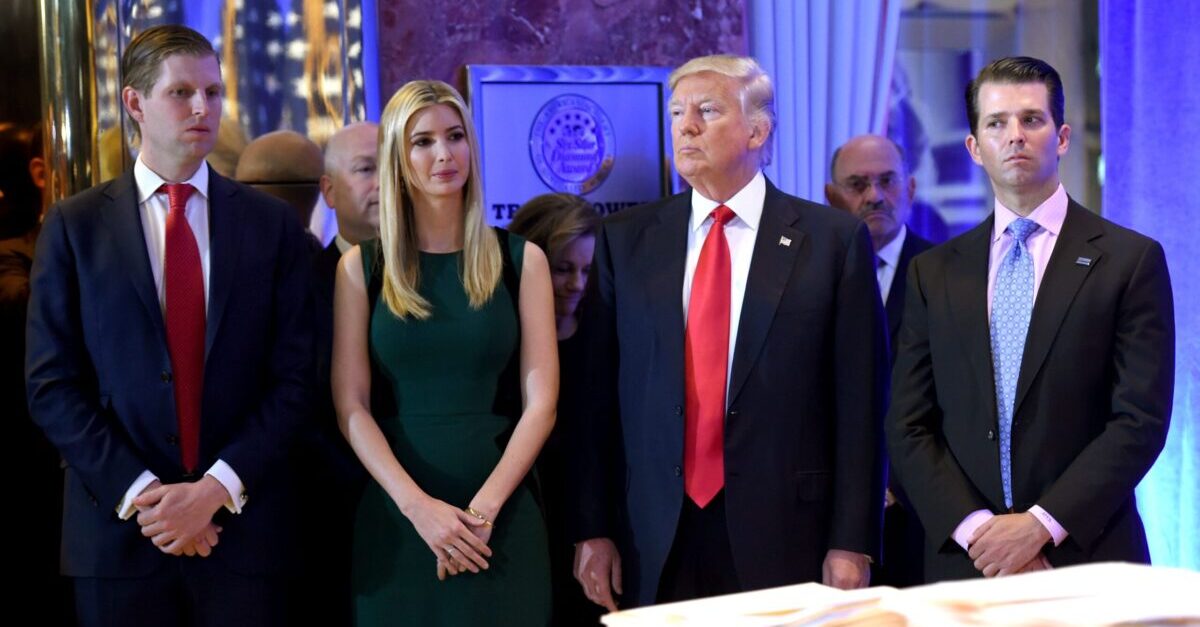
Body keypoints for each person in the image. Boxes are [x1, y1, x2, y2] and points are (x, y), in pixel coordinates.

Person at [570, 54, 888, 610]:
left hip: (788, 532)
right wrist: (592, 528)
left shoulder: (831, 241)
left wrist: (852, 540)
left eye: (706, 111)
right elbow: (595, 400)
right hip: (654, 533)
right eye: (676, 112)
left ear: (758, 130)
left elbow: (861, 405)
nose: (685, 126)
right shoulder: (626, 240)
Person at [25, 24, 313, 625]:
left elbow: (296, 381)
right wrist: (147, 499)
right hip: (118, 539)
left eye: (213, 91)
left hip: (245, 536)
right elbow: (52, 385)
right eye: (182, 93)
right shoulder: (74, 227)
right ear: (135, 103)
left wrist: (214, 491)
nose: (203, 108)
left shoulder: (271, 226)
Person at [886, 56, 1175, 582]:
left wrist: (1039, 526)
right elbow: (908, 425)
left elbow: (1139, 421)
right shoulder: (934, 273)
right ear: (974, 147)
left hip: (1089, 559)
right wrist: (979, 530)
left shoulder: (1130, 261)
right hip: (968, 564)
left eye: (1031, 120)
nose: (1014, 136)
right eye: (996, 123)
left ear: (1061, 137)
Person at [331, 80, 557, 625]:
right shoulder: (360, 269)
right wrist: (418, 509)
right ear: (397, 158)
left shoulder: (522, 261)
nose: (443, 155)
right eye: (422, 141)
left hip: (501, 520)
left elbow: (542, 402)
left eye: (455, 136)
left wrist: (482, 513)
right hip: (397, 518)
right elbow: (351, 406)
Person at [826, 133, 932, 587]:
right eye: (857, 184)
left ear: (909, 189)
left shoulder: (949, 274)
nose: (874, 196)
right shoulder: (806, 278)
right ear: (832, 197)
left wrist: (898, 484)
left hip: (922, 517)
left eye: (887, 181)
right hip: (828, 518)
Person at [294, 121, 380, 625]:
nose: (384, 183)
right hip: (336, 526)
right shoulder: (300, 286)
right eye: (367, 169)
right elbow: (299, 406)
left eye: (392, 168)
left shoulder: (449, 275)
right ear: (328, 190)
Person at [508, 192, 603, 625]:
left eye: (587, 270)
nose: (576, 285)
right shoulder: (502, 343)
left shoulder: (607, 337)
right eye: (563, 269)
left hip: (593, 532)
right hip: (520, 523)